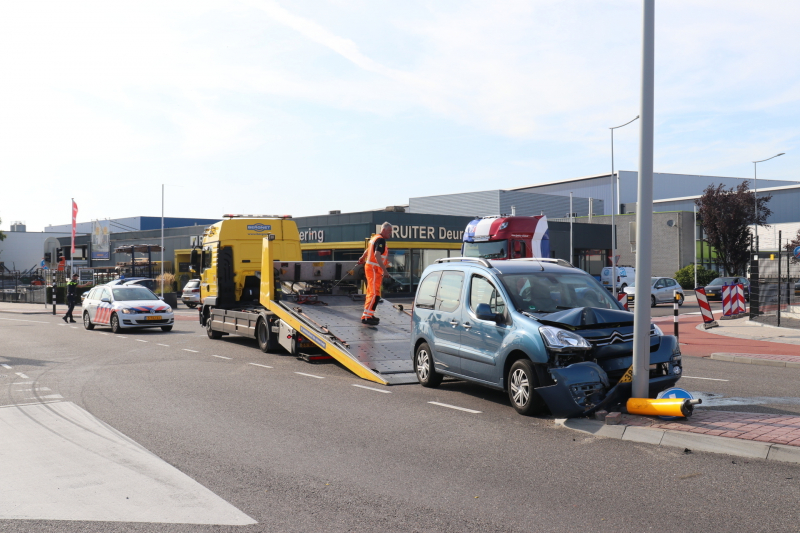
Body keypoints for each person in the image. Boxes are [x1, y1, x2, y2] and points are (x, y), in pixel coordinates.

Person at [355, 222, 392, 326]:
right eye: (389, 231)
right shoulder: (381, 240)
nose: (391, 234)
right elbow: (377, 254)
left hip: (371, 268)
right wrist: (385, 270)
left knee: (371, 292)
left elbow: (369, 250)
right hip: (375, 269)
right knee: (374, 293)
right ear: (384, 230)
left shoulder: (375, 238)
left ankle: (369, 315)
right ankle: (366, 317)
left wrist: (362, 257)